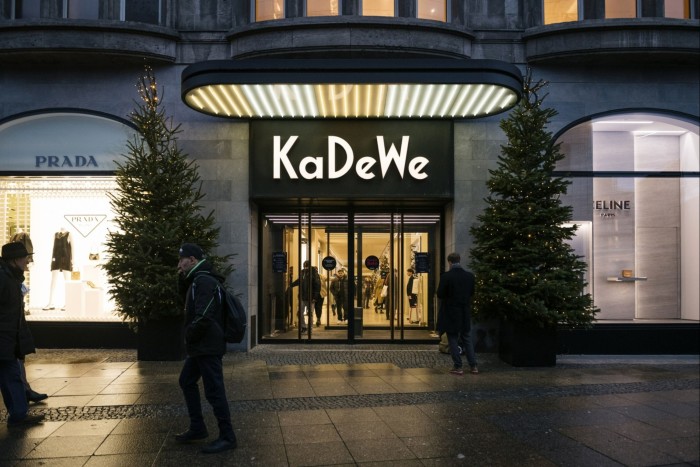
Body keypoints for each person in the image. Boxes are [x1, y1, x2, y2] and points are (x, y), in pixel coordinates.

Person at [175, 243, 236, 454]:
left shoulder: (204, 281)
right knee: (186, 380)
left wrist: (189, 335)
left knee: (214, 390)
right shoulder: (197, 279)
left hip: (207, 345)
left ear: (192, 260)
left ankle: (228, 436)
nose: (179, 265)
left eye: (181, 260)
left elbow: (204, 314)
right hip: (202, 345)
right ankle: (198, 427)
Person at [0, 241, 44, 426]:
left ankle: (18, 413)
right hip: (4, 338)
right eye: (26, 258)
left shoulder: (11, 276)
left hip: (8, 337)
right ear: (15, 259)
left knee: (10, 376)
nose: (28, 262)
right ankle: (18, 414)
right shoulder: (5, 279)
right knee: (12, 375)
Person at [436, 252, 478, 376]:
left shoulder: (446, 276)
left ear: (449, 262)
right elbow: (472, 292)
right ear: (460, 260)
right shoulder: (469, 276)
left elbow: (440, 294)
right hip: (464, 311)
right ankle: (473, 366)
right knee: (467, 338)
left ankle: (458, 367)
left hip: (451, 312)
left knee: (453, 339)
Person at [289, 260, 320, 333]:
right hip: (303, 296)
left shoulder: (314, 273)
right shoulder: (302, 272)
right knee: (300, 313)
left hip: (311, 297)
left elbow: (317, 286)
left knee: (310, 314)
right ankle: (303, 327)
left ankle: (310, 328)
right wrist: (291, 285)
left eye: (306, 266)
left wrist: (315, 297)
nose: (305, 267)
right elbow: (299, 281)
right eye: (304, 266)